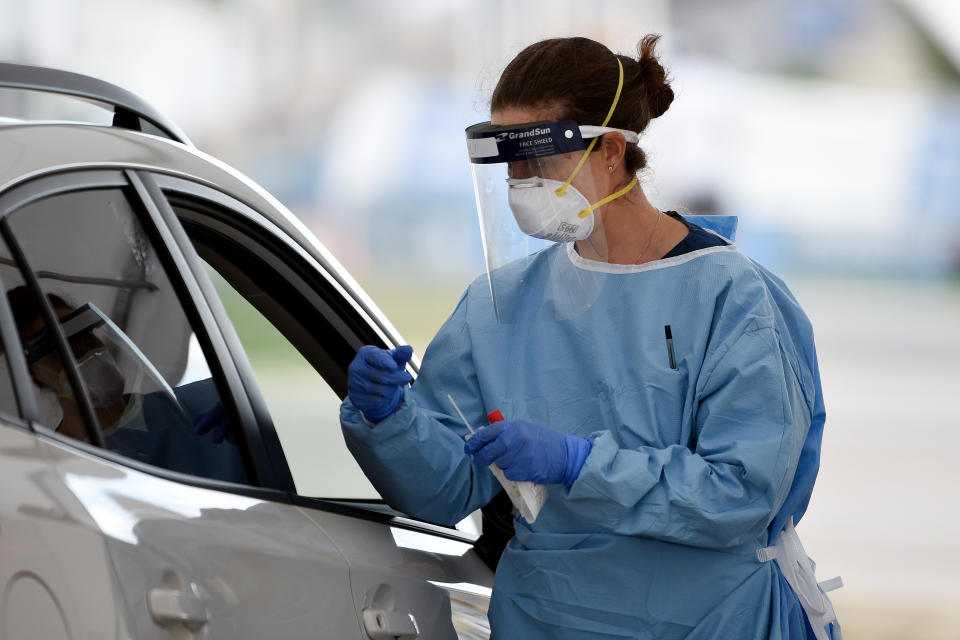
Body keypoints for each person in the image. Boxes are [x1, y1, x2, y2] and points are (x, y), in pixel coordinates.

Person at [340, 35, 840, 640]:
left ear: (608, 151)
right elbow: (445, 489)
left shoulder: (732, 297)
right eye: (508, 162)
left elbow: (742, 493)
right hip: (545, 618)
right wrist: (389, 420)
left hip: (708, 620)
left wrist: (580, 464)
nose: (520, 182)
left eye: (538, 160)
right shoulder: (501, 305)